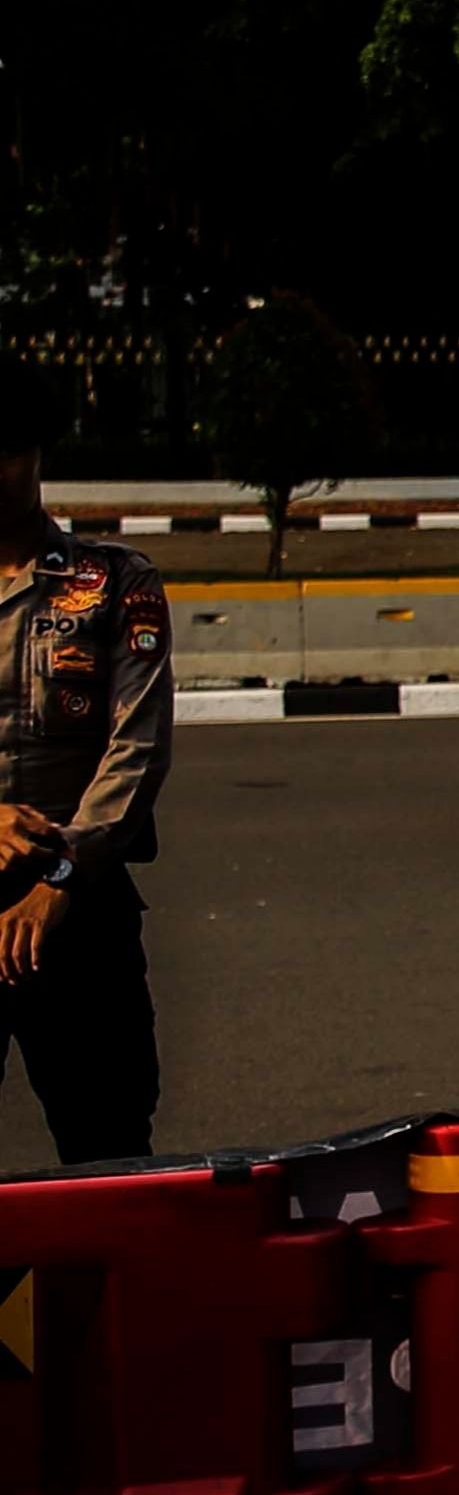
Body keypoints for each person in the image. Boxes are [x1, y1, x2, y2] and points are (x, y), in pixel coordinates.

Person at [0, 354, 172, 1163]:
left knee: (107, 1156)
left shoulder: (113, 583)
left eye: (6, 447)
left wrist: (59, 876)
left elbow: (135, 747)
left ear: (38, 454)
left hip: (80, 916)